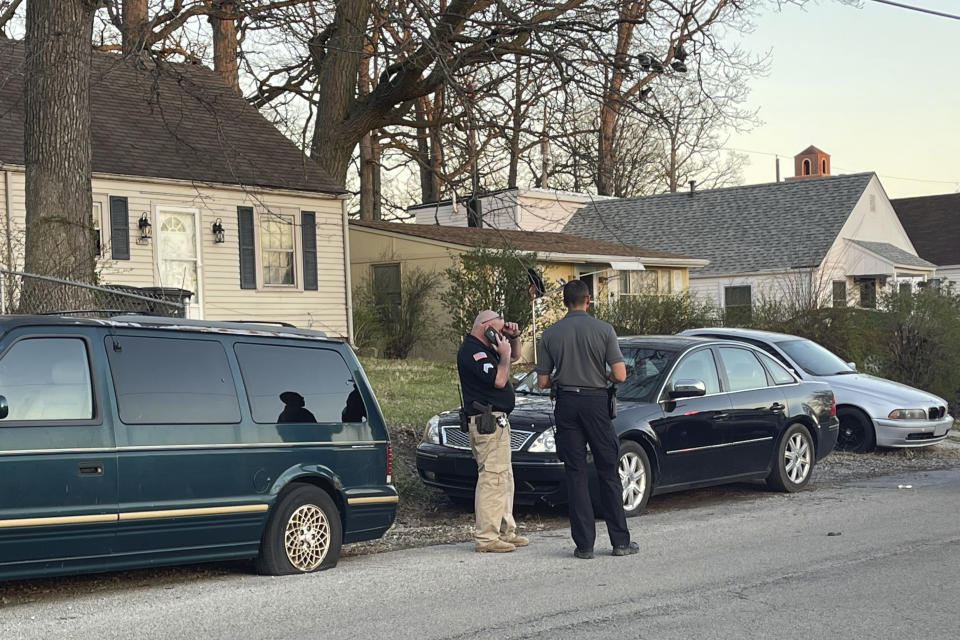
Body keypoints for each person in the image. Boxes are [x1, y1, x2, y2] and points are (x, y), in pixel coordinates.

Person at [535, 279, 637, 559]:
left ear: (564, 302)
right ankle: (620, 541)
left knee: (575, 472)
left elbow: (543, 381)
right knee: (607, 468)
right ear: (588, 300)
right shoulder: (604, 330)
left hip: (566, 402)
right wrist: (600, 374)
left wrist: (562, 375)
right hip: (595, 402)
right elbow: (620, 375)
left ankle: (584, 545)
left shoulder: (550, 334)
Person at [457, 309, 529, 553]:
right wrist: (504, 355)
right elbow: (499, 380)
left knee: (504, 478)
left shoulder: (488, 348)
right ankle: (487, 537)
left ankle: (504, 530)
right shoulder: (473, 351)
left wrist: (514, 337)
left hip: (498, 421)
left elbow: (515, 357)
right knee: (492, 478)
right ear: (484, 327)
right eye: (497, 331)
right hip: (486, 421)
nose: (500, 336)